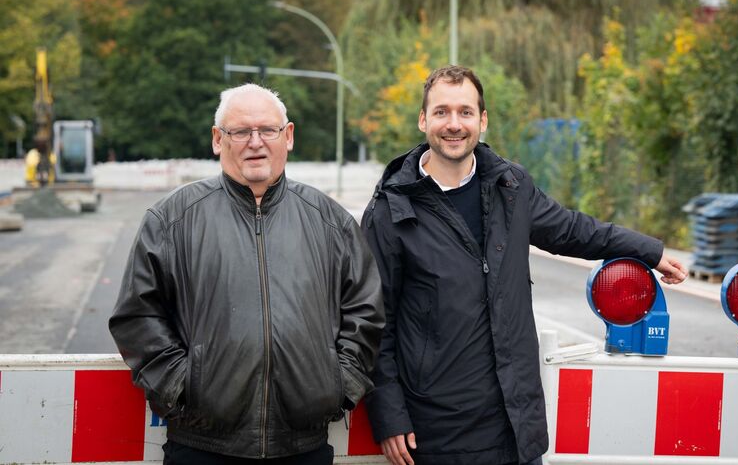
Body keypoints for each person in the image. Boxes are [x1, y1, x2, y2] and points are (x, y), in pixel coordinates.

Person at [361, 66, 687, 465]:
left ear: (482, 120)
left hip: (516, 424)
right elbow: (376, 323)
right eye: (442, 112)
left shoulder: (510, 187)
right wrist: (389, 416)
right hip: (439, 431)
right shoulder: (390, 211)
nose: (454, 124)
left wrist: (647, 251)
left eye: (465, 112)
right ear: (423, 120)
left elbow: (572, 229)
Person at [109, 83, 384, 465]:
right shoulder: (171, 220)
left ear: (287, 136)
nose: (256, 142)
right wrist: (183, 388)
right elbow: (137, 317)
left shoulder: (330, 222)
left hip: (303, 448)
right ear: (218, 140)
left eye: (267, 130)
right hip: (202, 446)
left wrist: (338, 386)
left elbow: (365, 312)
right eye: (240, 132)